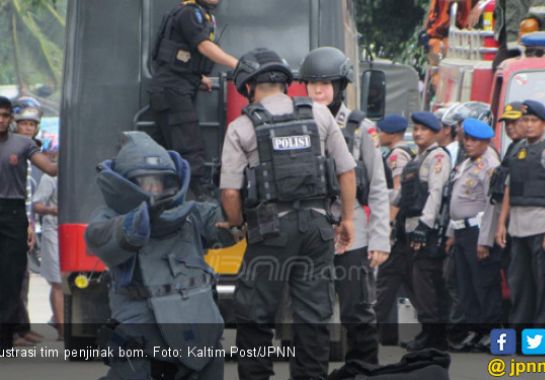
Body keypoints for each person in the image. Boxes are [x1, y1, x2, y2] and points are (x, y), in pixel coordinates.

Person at [221, 48, 356, 380]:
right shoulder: (320, 115)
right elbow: (347, 172)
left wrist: (238, 225)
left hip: (269, 230)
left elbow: (229, 192)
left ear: (248, 86)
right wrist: (348, 219)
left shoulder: (241, 127)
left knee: (256, 315)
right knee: (313, 316)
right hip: (317, 228)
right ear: (284, 82)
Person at [85, 131, 236, 380]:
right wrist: (139, 221)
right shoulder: (109, 217)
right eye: (145, 182)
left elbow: (225, 225)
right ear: (126, 183)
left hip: (199, 326)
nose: (153, 188)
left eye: (159, 181)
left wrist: (244, 203)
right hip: (142, 334)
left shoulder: (191, 214)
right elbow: (100, 238)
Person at [299, 46, 391, 365]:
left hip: (353, 234)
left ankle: (364, 370)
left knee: (357, 311)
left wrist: (380, 239)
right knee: (313, 313)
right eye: (312, 83)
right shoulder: (294, 125)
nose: (318, 90)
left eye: (326, 83)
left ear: (341, 86)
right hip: (311, 234)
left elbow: (378, 185)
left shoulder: (359, 128)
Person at [149, 0, 238, 199]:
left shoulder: (198, 14)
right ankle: (203, 200)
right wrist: (236, 64)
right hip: (172, 91)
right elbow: (204, 46)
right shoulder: (188, 13)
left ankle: (166, 201)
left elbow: (181, 60)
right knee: (191, 149)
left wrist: (197, 78)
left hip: (174, 87)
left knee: (166, 152)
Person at [496, 99, 545, 325]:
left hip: (542, 225)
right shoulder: (518, 148)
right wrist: (502, 224)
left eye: (533, 121)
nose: (528, 125)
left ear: (544, 123)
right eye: (524, 120)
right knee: (519, 282)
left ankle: (543, 336)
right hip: (518, 227)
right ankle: (521, 332)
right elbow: (510, 188)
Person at [0, 96, 57, 350]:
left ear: (10, 118)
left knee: (12, 276)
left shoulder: (22, 144)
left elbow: (51, 169)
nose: (1, 120)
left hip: (12, 214)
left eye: (4, 115)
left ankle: (7, 336)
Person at [445, 118, 502, 351]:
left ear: (486, 141)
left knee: (484, 285)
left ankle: (492, 332)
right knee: (466, 284)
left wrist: (485, 240)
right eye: (466, 138)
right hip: (461, 230)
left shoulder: (489, 165)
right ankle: (476, 330)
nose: (468, 143)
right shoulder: (467, 162)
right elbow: (456, 200)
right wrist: (451, 233)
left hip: (478, 231)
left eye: (474, 140)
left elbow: (492, 205)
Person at [398, 111, 452, 351]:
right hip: (411, 225)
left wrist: (424, 226)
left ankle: (433, 335)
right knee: (415, 281)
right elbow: (404, 196)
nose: (418, 133)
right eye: (416, 129)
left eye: (424, 129)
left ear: (436, 132)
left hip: (426, 229)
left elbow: (436, 192)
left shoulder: (438, 156)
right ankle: (428, 332)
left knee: (425, 282)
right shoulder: (417, 158)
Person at [375, 114, 417, 338]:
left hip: (397, 225)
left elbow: (399, 191)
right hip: (402, 226)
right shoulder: (406, 152)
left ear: (390, 134)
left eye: (380, 131)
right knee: (406, 279)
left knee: (387, 277)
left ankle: (372, 329)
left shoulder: (397, 156)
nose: (377, 135)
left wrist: (389, 223)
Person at [12, 98, 44, 346]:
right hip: (12, 221)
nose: (28, 128)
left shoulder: (34, 150)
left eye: (32, 124)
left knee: (23, 277)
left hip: (27, 222)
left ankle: (22, 327)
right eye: (23, 123)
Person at [33, 169, 62, 340]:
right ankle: (62, 330)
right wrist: (53, 210)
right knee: (58, 282)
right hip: (54, 232)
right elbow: (36, 205)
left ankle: (58, 320)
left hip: (78, 231)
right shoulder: (50, 177)